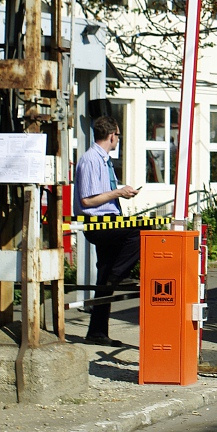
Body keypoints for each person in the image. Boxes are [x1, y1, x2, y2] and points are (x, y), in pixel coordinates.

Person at [73, 115, 141, 347]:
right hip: (98, 224)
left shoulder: (104, 160)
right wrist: (118, 193)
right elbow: (88, 200)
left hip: (110, 220)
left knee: (103, 278)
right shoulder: (91, 159)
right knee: (141, 231)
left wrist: (121, 194)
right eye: (118, 136)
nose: (118, 140)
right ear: (112, 135)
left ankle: (97, 332)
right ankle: (119, 274)